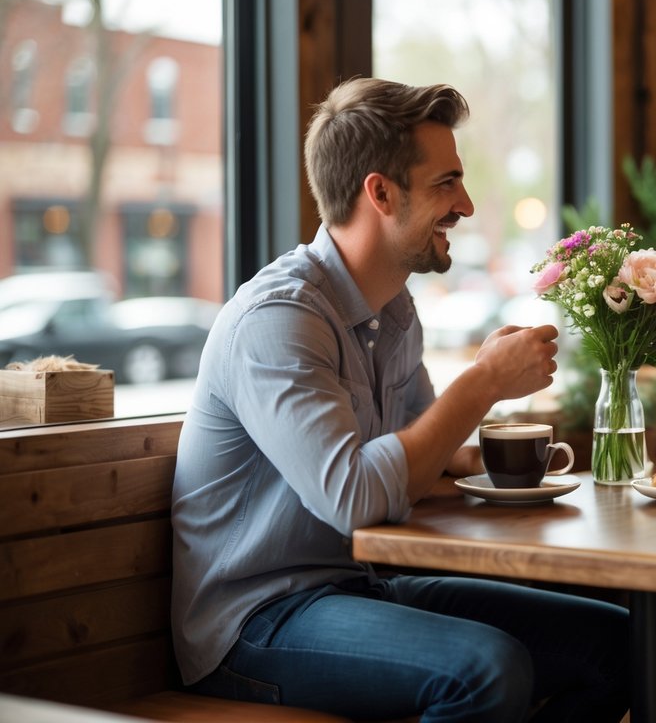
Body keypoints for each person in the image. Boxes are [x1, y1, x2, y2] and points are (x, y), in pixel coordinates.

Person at [171, 77, 630, 722]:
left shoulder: (395, 310)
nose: (466, 205)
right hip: (256, 618)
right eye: (447, 183)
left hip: (363, 583)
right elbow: (355, 497)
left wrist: (479, 460)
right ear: (380, 193)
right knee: (486, 671)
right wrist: (484, 383)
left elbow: (420, 453)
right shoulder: (279, 319)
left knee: (618, 642)